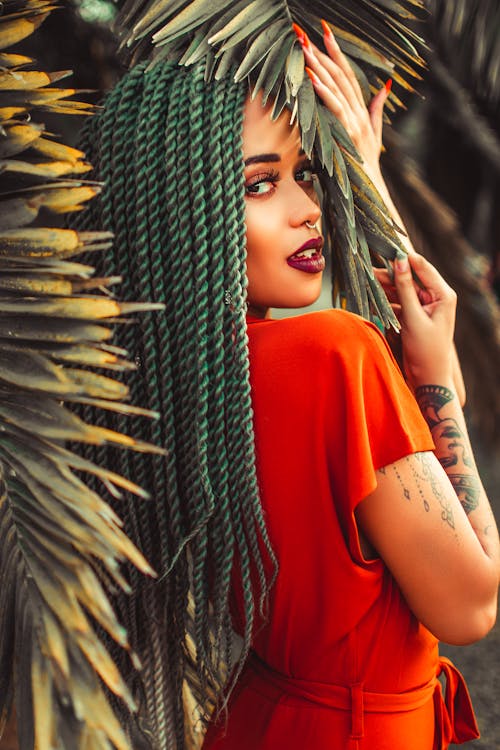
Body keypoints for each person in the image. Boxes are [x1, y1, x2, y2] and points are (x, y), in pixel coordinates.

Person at [76, 19, 499, 750]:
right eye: (259, 184)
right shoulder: (335, 354)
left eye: (307, 173)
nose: (308, 209)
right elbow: (471, 604)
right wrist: (434, 376)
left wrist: (363, 175)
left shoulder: (183, 378)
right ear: (186, 213)